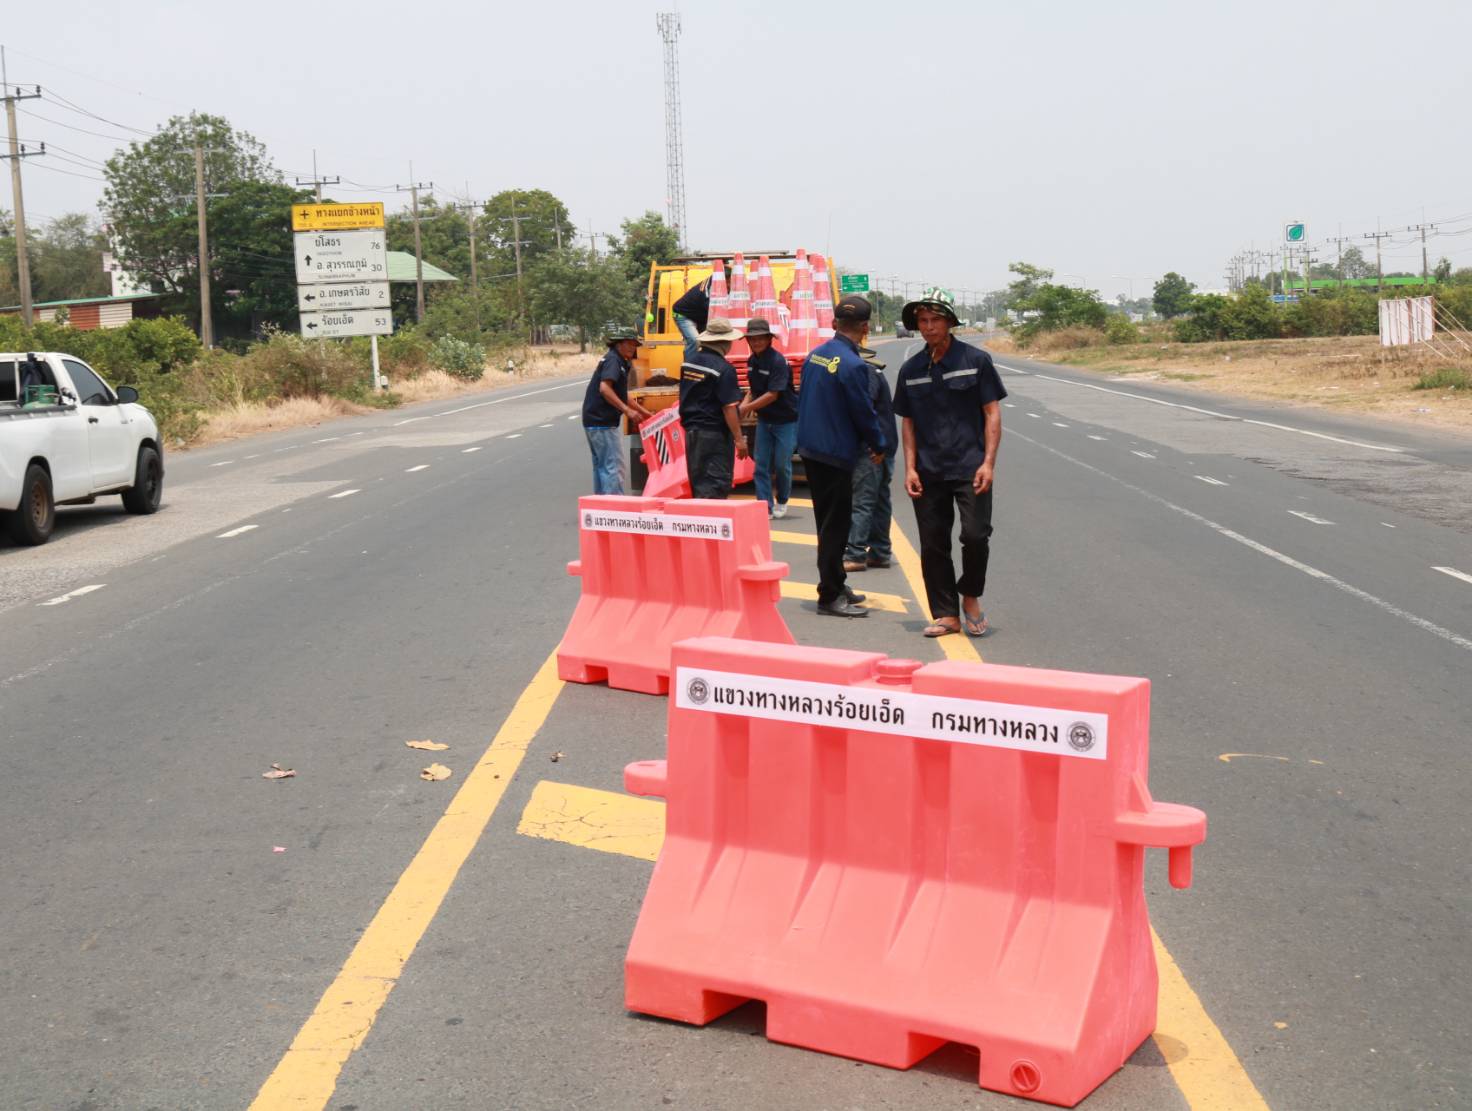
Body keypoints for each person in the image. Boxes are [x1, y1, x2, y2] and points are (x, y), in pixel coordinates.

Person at [892, 287, 1006, 638]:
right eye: (922, 321)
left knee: (975, 536)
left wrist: (988, 463)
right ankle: (946, 614)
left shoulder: (975, 361)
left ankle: (970, 595)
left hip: (971, 467)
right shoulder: (911, 369)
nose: (928, 327)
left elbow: (992, 413)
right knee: (933, 544)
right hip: (929, 471)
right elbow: (908, 423)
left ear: (950, 323)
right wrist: (910, 467)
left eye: (935, 320)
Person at [795, 295, 884, 618]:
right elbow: (863, 412)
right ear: (865, 327)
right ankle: (830, 595)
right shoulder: (854, 365)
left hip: (811, 448)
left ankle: (836, 581)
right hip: (834, 453)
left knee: (827, 522)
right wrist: (879, 444)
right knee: (836, 526)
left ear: (834, 323)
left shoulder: (815, 355)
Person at [679, 317, 749, 498]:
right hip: (714, 435)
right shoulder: (723, 369)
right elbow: (728, 408)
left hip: (692, 433)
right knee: (715, 487)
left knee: (699, 485)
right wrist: (739, 439)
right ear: (724, 342)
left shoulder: (689, 362)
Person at [843, 345, 897, 572]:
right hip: (882, 445)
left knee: (862, 502)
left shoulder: (864, 372)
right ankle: (880, 552)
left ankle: (855, 554)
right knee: (880, 500)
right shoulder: (872, 370)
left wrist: (874, 444)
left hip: (872, 448)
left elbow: (865, 410)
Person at [738, 317, 798, 518]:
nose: (756, 342)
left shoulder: (778, 361)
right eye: (752, 339)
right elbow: (754, 390)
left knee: (781, 465)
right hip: (765, 420)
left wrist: (746, 408)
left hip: (786, 420)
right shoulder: (751, 361)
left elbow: (773, 394)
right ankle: (765, 506)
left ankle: (782, 499)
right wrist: (743, 405)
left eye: (760, 338)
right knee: (761, 465)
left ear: (769, 339)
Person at [581, 326, 652, 495]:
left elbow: (622, 394)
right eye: (629, 343)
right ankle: (615, 505)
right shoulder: (614, 360)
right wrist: (627, 411)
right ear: (618, 344)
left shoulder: (619, 361)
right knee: (614, 466)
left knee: (602, 466)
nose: (633, 348)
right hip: (602, 421)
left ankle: (602, 505)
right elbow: (605, 388)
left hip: (594, 420)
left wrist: (644, 412)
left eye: (635, 344)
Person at [672, 273, 712, 361]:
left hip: (699, 316)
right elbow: (713, 312)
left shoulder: (716, 282)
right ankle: (689, 366)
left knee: (709, 342)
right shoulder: (707, 290)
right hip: (683, 315)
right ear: (727, 279)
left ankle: (705, 364)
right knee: (695, 341)